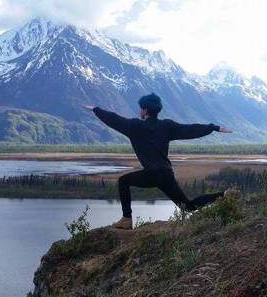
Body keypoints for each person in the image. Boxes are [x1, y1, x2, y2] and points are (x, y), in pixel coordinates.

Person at [82, 93, 233, 229]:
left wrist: (95, 109)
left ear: (145, 110)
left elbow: (113, 119)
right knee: (188, 207)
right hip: (166, 174)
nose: (139, 111)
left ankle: (127, 219)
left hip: (151, 174)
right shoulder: (167, 126)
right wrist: (214, 127)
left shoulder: (134, 126)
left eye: (141, 108)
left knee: (123, 181)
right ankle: (225, 195)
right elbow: (190, 129)